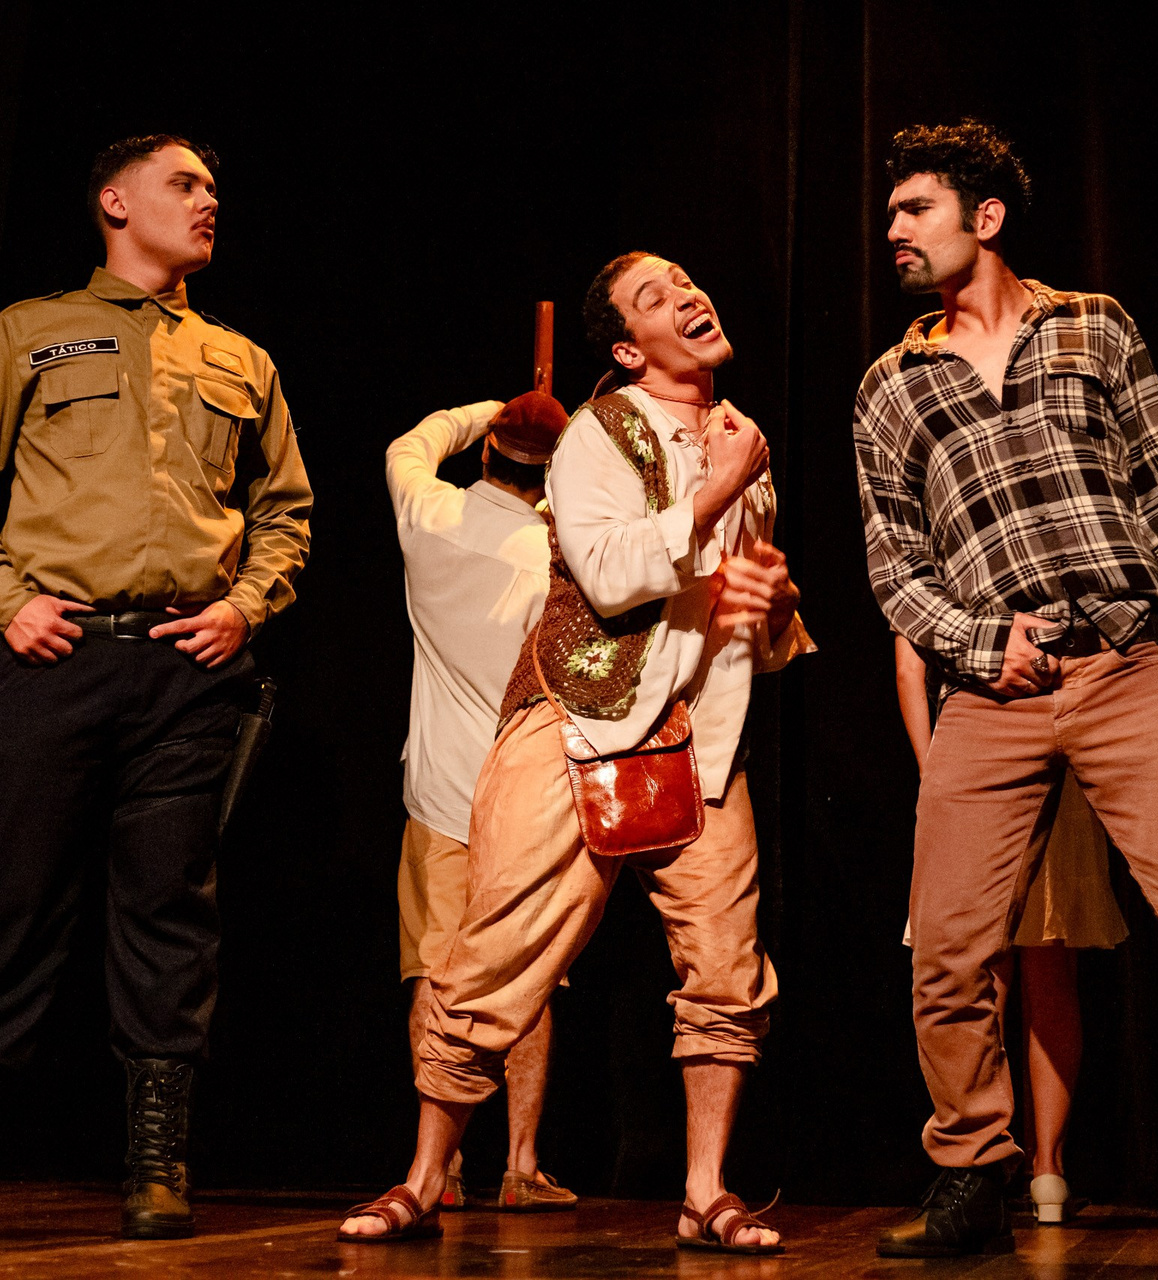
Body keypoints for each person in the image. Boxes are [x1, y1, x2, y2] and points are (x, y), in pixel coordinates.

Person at [854, 121, 1158, 1269]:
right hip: (992, 690)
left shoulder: (1094, 326)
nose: (894, 232)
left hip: (1126, 659)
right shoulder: (890, 386)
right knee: (947, 950)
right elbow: (896, 567)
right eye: (891, 216)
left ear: (985, 217)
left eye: (915, 210)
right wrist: (982, 640)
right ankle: (971, 1176)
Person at [0, 135, 312, 1240]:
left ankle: (157, 1165)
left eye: (213, 187)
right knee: (7, 905)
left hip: (187, 671)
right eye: (184, 183)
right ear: (115, 200)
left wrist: (246, 606)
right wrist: (4, 598)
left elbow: (285, 509)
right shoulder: (30, 331)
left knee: (168, 914)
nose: (208, 201)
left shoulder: (241, 358)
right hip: (51, 660)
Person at [339, 253, 813, 1252]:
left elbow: (747, 621)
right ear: (629, 350)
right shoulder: (601, 432)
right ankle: (423, 1177)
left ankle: (706, 1190)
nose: (687, 294)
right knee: (494, 951)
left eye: (685, 280)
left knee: (726, 967)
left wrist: (773, 605)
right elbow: (605, 570)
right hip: (576, 719)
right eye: (655, 296)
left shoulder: (742, 441)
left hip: (699, 736)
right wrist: (715, 492)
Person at [387, 390, 578, 1211]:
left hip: (440, 787)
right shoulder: (557, 554)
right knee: (525, 974)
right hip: (523, 789)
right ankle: (521, 1164)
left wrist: (487, 408)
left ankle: (445, 1165)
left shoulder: (428, 515)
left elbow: (409, 444)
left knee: (437, 970)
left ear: (488, 455)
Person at [895, 634, 1128, 1224]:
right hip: (1059, 751)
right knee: (1051, 970)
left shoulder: (937, 578)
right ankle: (1048, 1172)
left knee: (976, 971)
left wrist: (932, 775)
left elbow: (908, 670)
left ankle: (983, 1165)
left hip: (978, 760)